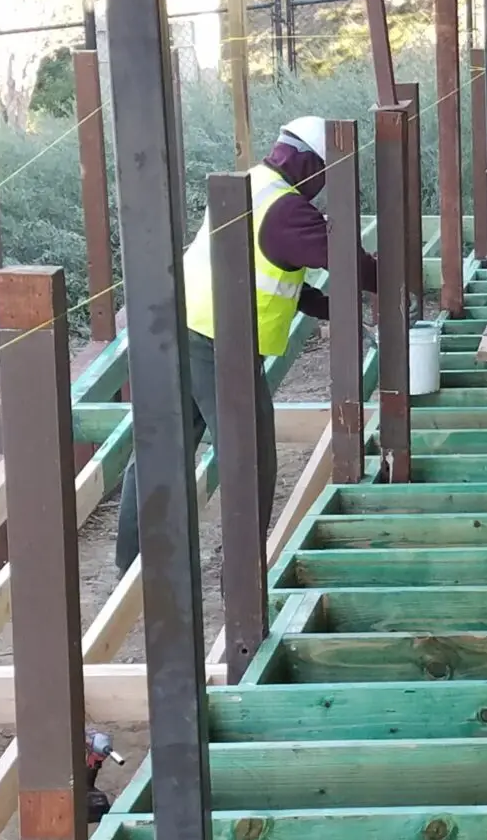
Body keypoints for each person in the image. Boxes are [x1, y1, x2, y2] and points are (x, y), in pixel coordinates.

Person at [115, 116, 379, 576]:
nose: (323, 184)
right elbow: (353, 264)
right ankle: (242, 580)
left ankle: (132, 566)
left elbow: (263, 270)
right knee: (248, 458)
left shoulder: (254, 185)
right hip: (221, 342)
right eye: (324, 172)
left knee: (161, 448)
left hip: (177, 326)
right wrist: (397, 278)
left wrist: (328, 307)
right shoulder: (289, 211)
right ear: (308, 163)